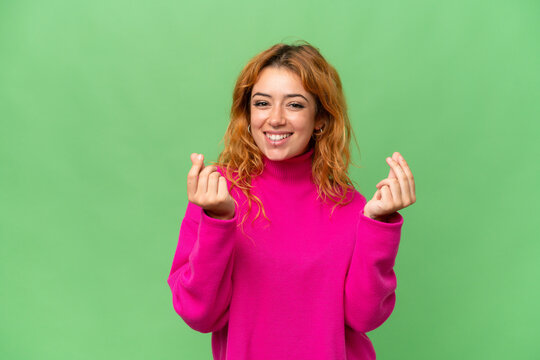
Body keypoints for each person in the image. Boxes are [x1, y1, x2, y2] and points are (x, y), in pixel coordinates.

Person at [166, 41, 416, 360]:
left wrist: (379, 226)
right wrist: (217, 220)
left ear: (320, 119)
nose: (275, 119)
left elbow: (364, 317)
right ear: (247, 113)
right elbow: (199, 314)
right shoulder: (216, 194)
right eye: (262, 103)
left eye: (295, 105)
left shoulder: (353, 208)